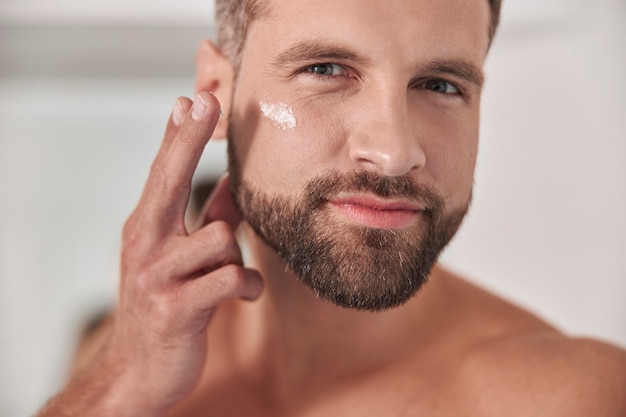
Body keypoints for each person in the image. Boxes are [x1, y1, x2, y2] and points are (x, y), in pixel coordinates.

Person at [38, 0, 626, 416]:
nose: (395, 152)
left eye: (441, 83)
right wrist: (116, 391)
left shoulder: (578, 400)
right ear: (218, 89)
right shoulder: (131, 361)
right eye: (325, 70)